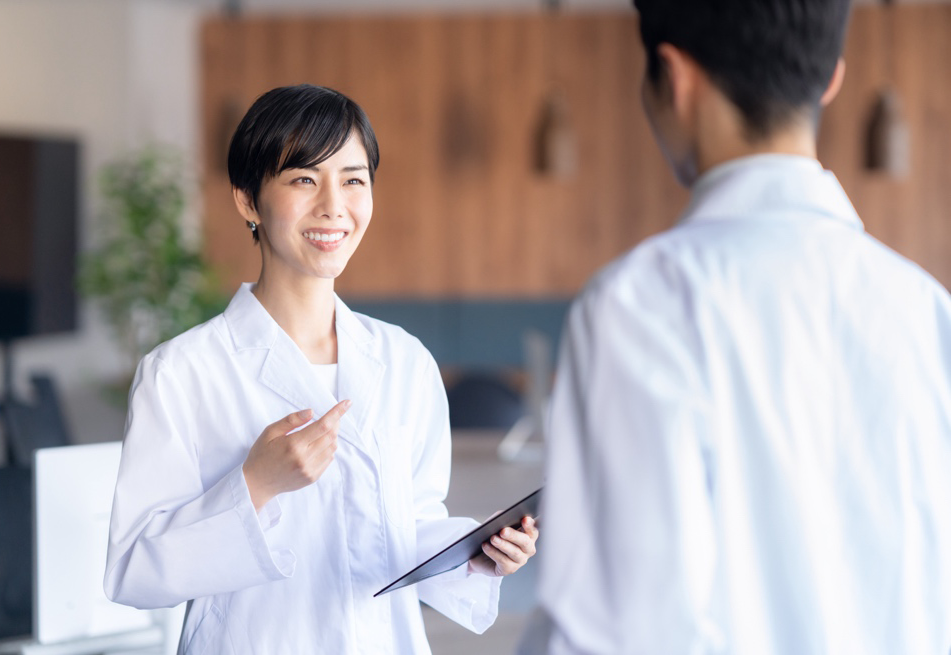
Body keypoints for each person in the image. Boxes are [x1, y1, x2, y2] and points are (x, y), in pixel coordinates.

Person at [519, 1, 951, 653]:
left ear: (674, 77)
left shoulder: (639, 305)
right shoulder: (927, 309)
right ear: (830, 78)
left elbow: (612, 632)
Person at [104, 84, 538, 655]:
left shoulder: (404, 361)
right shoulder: (181, 373)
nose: (334, 205)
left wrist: (477, 552)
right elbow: (133, 570)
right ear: (246, 200)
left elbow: (407, 525)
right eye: (304, 179)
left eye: (354, 179)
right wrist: (255, 484)